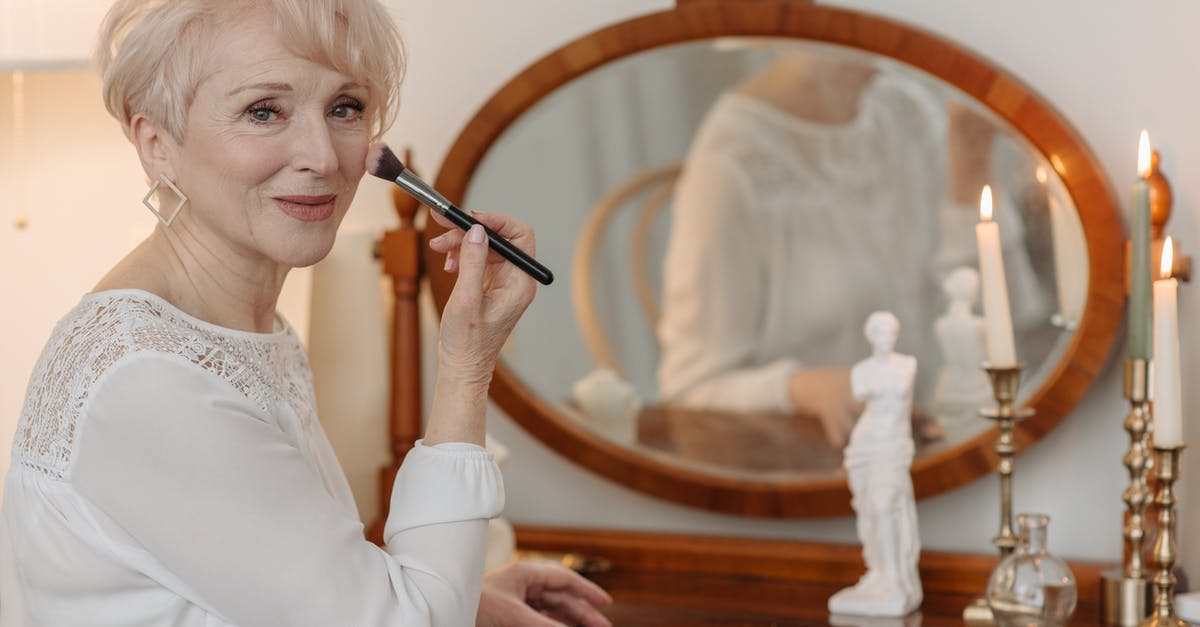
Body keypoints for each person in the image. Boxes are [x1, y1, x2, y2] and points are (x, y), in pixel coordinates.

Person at [0, 1, 611, 626]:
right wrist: (467, 365)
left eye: (344, 108)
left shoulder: (237, 332)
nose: (321, 156)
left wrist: (472, 602)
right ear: (156, 143)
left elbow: (281, 579)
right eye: (264, 111)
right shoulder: (149, 379)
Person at [828, 312, 922, 617]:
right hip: (866, 445)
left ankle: (895, 578)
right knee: (868, 509)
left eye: (891, 331)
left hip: (893, 445)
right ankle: (879, 573)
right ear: (871, 336)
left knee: (885, 506)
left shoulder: (907, 365)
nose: (887, 337)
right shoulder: (862, 371)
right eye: (881, 332)